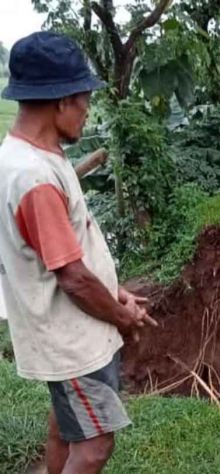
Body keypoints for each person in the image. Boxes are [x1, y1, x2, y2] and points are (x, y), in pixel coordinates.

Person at [0, 32, 157, 474]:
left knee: (65, 430)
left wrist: (117, 291)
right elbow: (71, 276)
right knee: (94, 446)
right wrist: (123, 317)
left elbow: (69, 251)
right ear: (61, 100)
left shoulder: (30, 157)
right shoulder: (36, 179)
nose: (88, 112)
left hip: (67, 332)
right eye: (85, 101)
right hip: (71, 341)